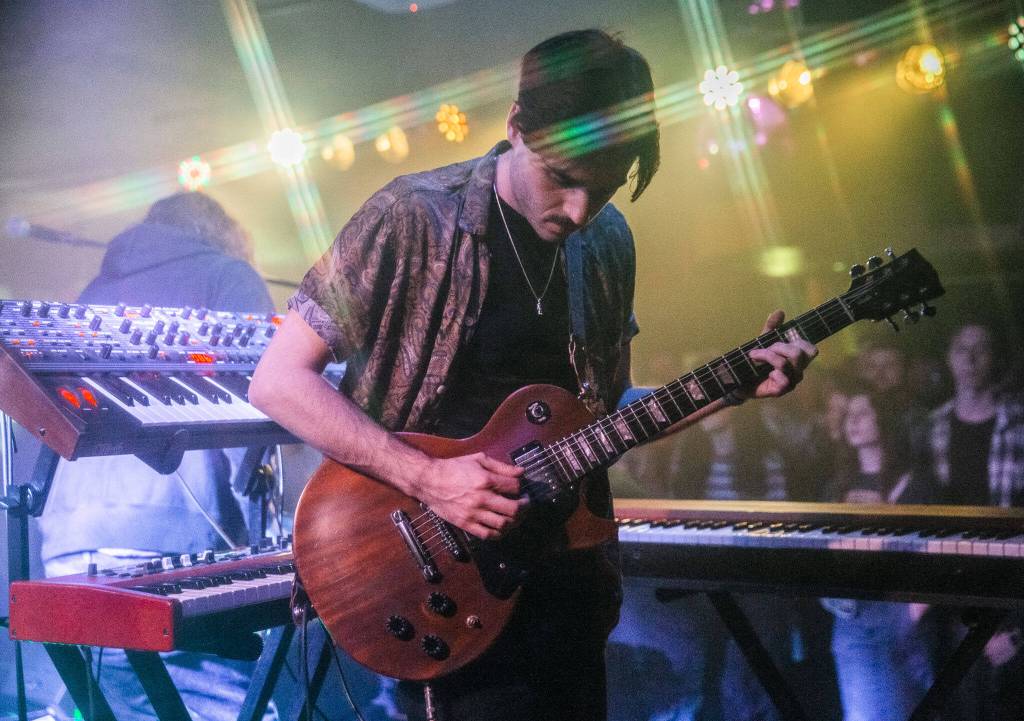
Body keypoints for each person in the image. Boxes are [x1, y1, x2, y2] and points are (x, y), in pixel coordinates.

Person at [250, 29, 817, 721]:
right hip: (439, 578)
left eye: (604, 191)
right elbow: (278, 381)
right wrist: (429, 477)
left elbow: (605, 417)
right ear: (516, 126)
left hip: (569, 589)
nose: (579, 213)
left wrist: (728, 386)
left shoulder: (606, 244)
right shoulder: (412, 216)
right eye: (566, 179)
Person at [38, 192, 278, 721]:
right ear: (223, 234)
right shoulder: (230, 276)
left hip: (67, 551)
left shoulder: (93, 292)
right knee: (236, 707)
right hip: (175, 551)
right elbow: (268, 404)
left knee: (115, 702)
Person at [915, 321, 1024, 721]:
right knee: (959, 705)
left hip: (1010, 588)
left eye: (982, 348)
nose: (971, 358)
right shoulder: (933, 426)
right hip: (954, 591)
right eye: (962, 348)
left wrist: (1018, 630)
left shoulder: (1019, 421)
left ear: (995, 358)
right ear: (949, 358)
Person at [822, 391, 934, 721]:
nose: (852, 421)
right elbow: (823, 560)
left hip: (902, 613)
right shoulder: (836, 488)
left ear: (884, 420)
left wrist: (911, 614)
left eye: (863, 413)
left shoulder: (916, 484)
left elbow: (932, 553)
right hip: (855, 620)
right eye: (848, 415)